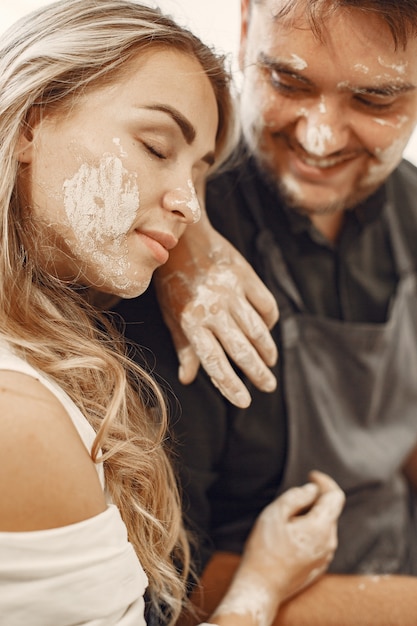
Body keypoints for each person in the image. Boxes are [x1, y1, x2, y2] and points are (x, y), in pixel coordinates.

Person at [0, 1, 346, 625]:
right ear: (31, 122)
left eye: (201, 172)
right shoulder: (18, 421)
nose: (190, 208)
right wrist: (259, 587)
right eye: (157, 147)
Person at [113, 0, 417, 623]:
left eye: (376, 100)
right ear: (246, 24)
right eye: (288, 81)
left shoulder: (411, 214)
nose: (320, 138)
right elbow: (165, 585)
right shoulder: (161, 250)